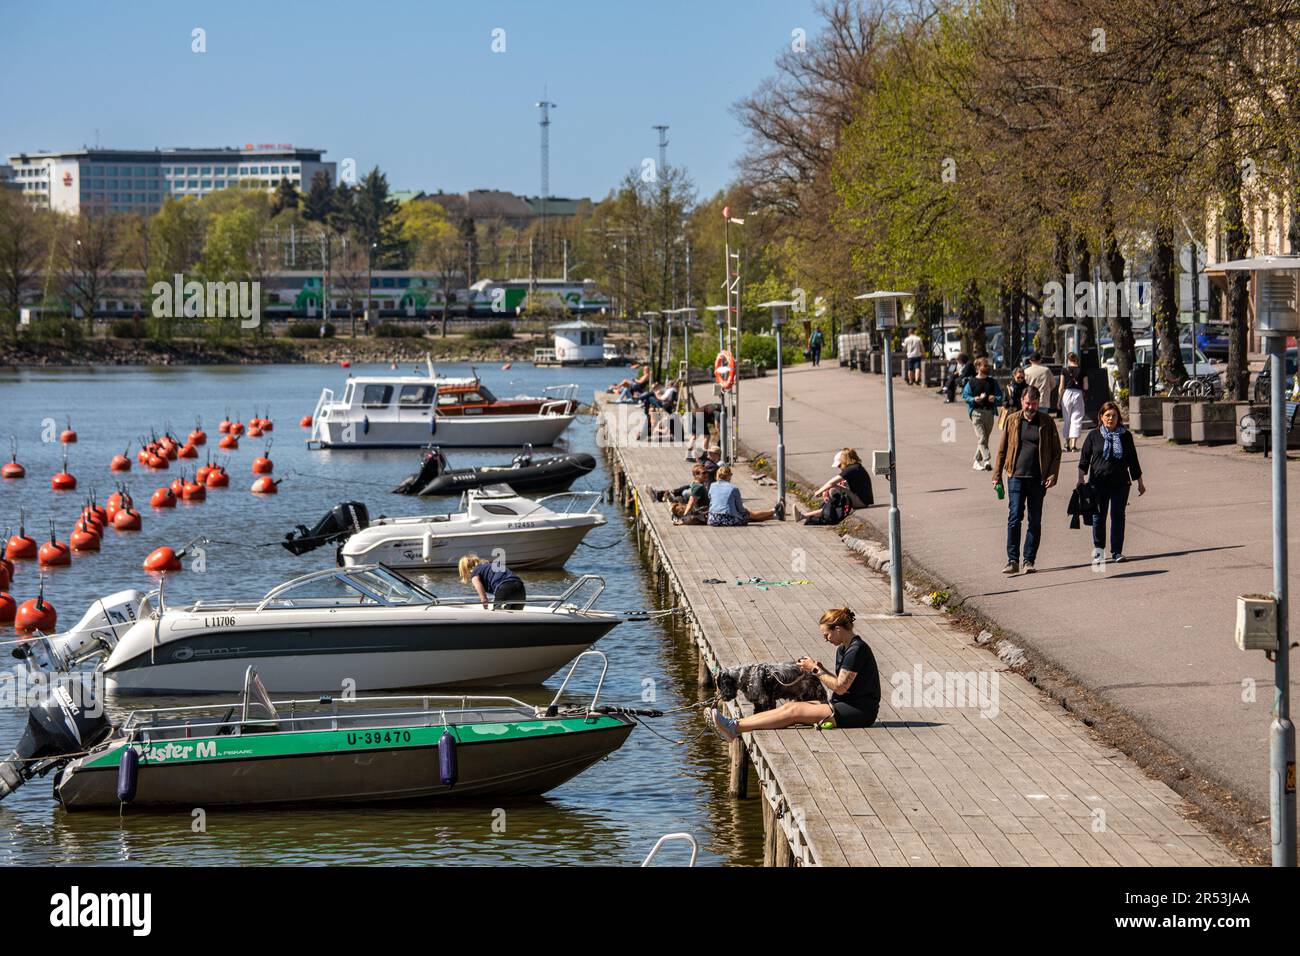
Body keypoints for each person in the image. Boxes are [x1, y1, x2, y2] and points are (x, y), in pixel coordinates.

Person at [707, 607, 880, 738]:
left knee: (794, 712)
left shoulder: (857, 650)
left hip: (858, 711)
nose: (826, 640)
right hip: (843, 704)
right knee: (789, 707)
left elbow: (841, 688)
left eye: (826, 635)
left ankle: (734, 728)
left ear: (838, 629)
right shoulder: (844, 649)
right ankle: (733, 725)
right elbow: (843, 685)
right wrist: (822, 670)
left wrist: (815, 669)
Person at [992, 385, 1062, 575]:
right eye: (1027, 403)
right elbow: (1002, 449)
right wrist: (996, 476)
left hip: (1038, 479)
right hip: (1015, 476)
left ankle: (1029, 560)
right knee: (1014, 516)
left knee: (1035, 520)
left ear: (1038, 403)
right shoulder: (1013, 420)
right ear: (1022, 402)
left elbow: (1057, 451)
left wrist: (1053, 474)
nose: (1030, 407)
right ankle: (1012, 560)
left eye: (1034, 403)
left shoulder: (1047, 422)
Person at [1077, 401, 1145, 563]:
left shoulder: (1125, 436)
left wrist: (1140, 482)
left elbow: (1133, 460)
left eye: (1114, 416)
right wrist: (1081, 478)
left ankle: (1117, 552)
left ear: (1118, 418)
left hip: (1120, 483)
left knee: (1118, 516)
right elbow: (1084, 459)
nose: (1110, 418)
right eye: (1107, 415)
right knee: (1098, 518)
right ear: (1101, 417)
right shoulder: (1093, 436)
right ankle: (1099, 552)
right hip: (1098, 484)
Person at [794, 447, 873, 522]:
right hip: (859, 499)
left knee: (834, 489)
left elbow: (832, 482)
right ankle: (802, 516)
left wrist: (820, 491)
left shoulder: (852, 469)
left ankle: (803, 516)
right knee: (832, 501)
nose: (839, 467)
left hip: (862, 502)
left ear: (844, 460)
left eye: (839, 465)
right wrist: (827, 491)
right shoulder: (855, 468)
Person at [962, 357, 1002, 471]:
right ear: (978, 367)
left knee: (984, 439)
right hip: (976, 413)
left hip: (989, 413)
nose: (987, 367)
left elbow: (1000, 396)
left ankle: (976, 461)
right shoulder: (971, 382)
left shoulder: (992, 382)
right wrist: (974, 399)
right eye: (985, 365)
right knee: (982, 437)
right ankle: (987, 460)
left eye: (987, 365)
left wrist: (994, 398)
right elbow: (965, 396)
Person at [707, 465, 775, 525]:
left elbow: (711, 501)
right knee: (748, 515)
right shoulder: (733, 488)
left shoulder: (712, 486)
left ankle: (773, 514)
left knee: (748, 517)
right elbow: (740, 509)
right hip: (729, 519)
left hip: (713, 519)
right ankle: (773, 513)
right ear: (729, 476)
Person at [458, 553, 526, 609]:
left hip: (505, 587)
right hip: (520, 587)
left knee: (498, 617)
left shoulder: (475, 573)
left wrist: (486, 609)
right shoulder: (490, 566)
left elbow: (483, 599)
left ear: (464, 570)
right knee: (517, 617)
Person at [1058, 352, 1088, 452]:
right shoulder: (1082, 370)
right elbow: (1086, 386)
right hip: (1078, 394)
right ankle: (1074, 445)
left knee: (1067, 419)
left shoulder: (1064, 370)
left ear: (1068, 359)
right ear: (1077, 360)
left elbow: (1061, 387)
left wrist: (1059, 400)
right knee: (1076, 419)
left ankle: (1066, 444)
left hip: (1066, 394)